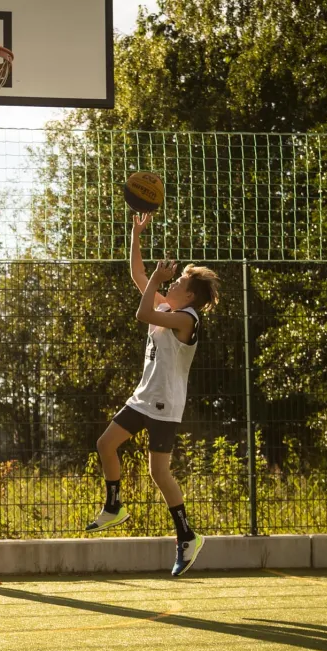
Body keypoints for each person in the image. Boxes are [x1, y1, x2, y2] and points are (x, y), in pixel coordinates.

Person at [86, 212, 220, 577]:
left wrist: (157, 282)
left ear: (189, 294)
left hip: (164, 405)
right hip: (143, 397)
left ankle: (187, 538)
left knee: (160, 473)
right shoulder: (169, 306)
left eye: (176, 282)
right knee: (105, 444)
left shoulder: (186, 319)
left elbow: (142, 312)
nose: (171, 284)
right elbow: (138, 277)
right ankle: (114, 507)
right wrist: (135, 234)